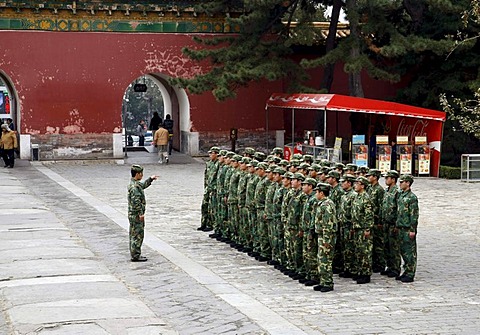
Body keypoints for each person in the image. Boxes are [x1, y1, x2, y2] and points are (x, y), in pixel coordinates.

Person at [127, 164, 158, 262]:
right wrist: (141, 214)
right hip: (136, 215)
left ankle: (134, 253)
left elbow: (143, 185)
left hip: (132, 214)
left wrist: (150, 179)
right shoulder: (135, 187)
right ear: (137, 174)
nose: (142, 175)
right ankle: (135, 255)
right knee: (137, 234)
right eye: (141, 173)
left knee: (133, 233)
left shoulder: (134, 183)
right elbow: (136, 202)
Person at [312, 182, 337, 293]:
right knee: (321, 259)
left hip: (326, 236)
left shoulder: (327, 205)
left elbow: (328, 223)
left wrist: (327, 239)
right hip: (321, 235)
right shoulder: (322, 203)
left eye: (317, 192)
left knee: (325, 260)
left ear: (322, 193)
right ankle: (323, 281)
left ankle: (328, 282)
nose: (316, 194)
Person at [396, 174, 419, 283]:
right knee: (403, 251)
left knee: (410, 251)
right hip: (400, 227)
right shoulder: (401, 195)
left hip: (407, 228)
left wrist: (412, 229)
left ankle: (410, 273)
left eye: (402, 182)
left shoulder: (412, 197)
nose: (400, 184)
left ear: (408, 183)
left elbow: (414, 215)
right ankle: (405, 271)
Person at [351, 176, 374, 284]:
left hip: (363, 228)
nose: (355, 185)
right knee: (358, 251)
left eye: (357, 183)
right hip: (357, 228)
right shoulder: (357, 196)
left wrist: (367, 228)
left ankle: (366, 274)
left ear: (363, 186)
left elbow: (369, 215)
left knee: (365, 252)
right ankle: (359, 271)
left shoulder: (366, 198)